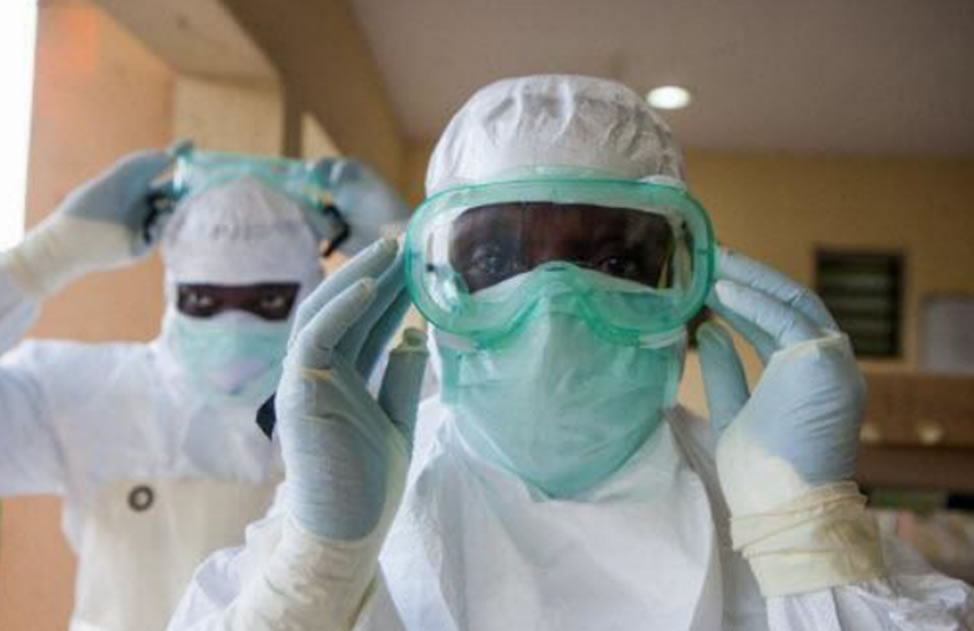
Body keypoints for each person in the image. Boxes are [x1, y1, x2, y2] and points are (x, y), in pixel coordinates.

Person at [167, 76, 974, 630]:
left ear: (681, 285)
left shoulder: (771, 515)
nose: (553, 307)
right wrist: (316, 570)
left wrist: (812, 546)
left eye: (614, 261)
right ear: (429, 287)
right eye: (495, 262)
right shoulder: (353, 513)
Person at [0, 143, 409, 631]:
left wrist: (417, 258)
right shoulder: (83, 394)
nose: (233, 327)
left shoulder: (370, 400)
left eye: (268, 299)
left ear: (310, 285)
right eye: (203, 299)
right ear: (173, 289)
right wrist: (42, 259)